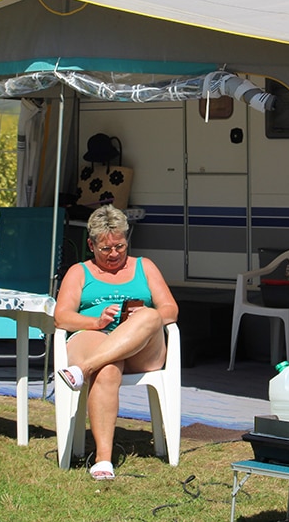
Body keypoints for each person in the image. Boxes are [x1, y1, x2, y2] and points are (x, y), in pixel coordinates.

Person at [54, 205, 179, 481]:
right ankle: (103, 460)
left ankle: (83, 370)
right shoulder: (79, 272)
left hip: (141, 349)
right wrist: (95, 323)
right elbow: (61, 318)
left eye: (120, 247)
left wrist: (137, 318)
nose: (113, 254)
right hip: (94, 338)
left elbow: (170, 310)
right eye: (105, 249)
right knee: (108, 368)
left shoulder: (144, 267)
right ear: (91, 245)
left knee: (149, 315)